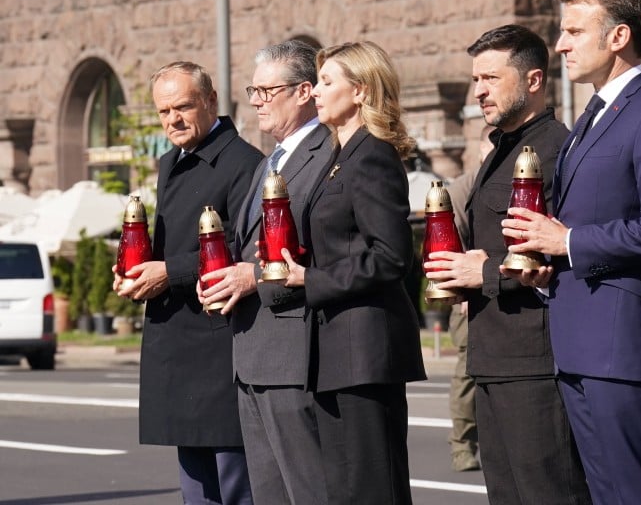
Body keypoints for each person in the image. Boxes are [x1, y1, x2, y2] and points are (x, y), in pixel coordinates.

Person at [505, 0, 641, 505]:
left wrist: (567, 243)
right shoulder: (591, 116)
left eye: (573, 31)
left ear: (617, 37)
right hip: (578, 341)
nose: (561, 44)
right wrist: (543, 262)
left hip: (622, 347)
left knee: (639, 494)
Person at [427, 24, 591, 505]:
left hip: (536, 360)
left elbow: (562, 251)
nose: (479, 91)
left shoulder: (558, 150)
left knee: (549, 493)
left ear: (534, 81)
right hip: (491, 353)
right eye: (476, 79)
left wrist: (486, 272)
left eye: (491, 79)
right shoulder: (500, 150)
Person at [278, 41, 426, 505]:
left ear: (360, 91)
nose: (316, 92)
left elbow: (391, 255)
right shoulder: (338, 156)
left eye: (327, 82)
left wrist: (311, 280)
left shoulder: (373, 155)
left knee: (372, 488)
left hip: (365, 352)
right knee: (345, 490)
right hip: (336, 352)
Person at [115, 61, 263, 505]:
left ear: (211, 101)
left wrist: (169, 272)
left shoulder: (245, 162)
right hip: (178, 339)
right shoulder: (171, 161)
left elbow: (245, 250)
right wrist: (135, 268)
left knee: (233, 485)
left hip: (220, 340)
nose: (172, 120)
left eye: (183, 107)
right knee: (196, 490)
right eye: (163, 112)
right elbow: (174, 242)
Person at [198, 40, 332, 504]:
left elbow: (319, 242)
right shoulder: (271, 160)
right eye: (252, 91)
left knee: (307, 489)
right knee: (270, 493)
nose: (255, 100)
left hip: (294, 352)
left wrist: (249, 276)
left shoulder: (327, 151)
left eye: (265, 90)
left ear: (304, 92)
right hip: (252, 350)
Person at [442, 124, 494, 473]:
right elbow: (446, 239)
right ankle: (463, 446)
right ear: (478, 151)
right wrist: (459, 289)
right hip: (468, 294)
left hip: (500, 284)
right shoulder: (464, 187)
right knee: (468, 376)